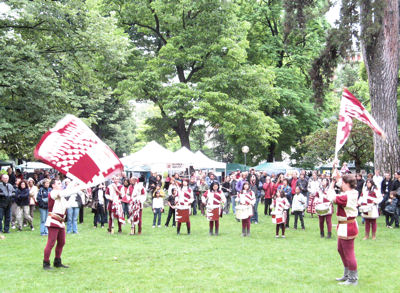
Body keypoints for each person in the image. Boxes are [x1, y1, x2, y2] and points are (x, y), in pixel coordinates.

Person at [328, 172, 359, 286]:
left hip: (348, 226)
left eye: (343, 183)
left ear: (347, 184)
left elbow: (330, 197)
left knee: (349, 252)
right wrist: (336, 174)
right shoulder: (351, 192)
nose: (341, 185)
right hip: (344, 225)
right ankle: (347, 274)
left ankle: (353, 278)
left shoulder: (346, 196)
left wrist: (332, 184)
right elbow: (340, 182)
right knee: (341, 249)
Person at [42, 179, 81, 270]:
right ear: (53, 185)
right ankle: (46, 262)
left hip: (60, 221)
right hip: (53, 220)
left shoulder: (60, 194)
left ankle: (57, 261)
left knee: (62, 242)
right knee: (51, 242)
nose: (61, 185)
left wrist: (74, 193)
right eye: (59, 183)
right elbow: (65, 192)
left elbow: (67, 205)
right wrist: (76, 187)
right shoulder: (53, 193)